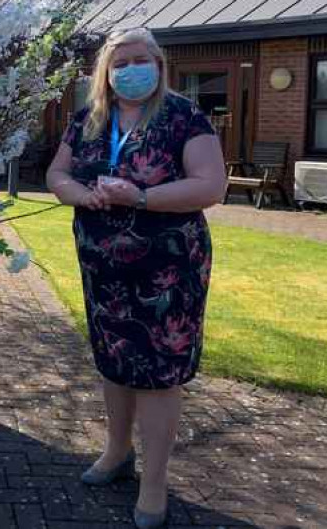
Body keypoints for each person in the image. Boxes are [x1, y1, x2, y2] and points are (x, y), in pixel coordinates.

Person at [46, 27, 226, 528]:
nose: (130, 69)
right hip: (103, 267)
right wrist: (81, 195)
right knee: (114, 361)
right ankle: (117, 451)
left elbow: (211, 185)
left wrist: (141, 197)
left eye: (139, 59)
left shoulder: (183, 116)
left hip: (167, 269)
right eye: (120, 61)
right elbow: (56, 176)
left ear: (159, 63)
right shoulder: (88, 118)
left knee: (158, 373)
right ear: (106, 70)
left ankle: (154, 480)